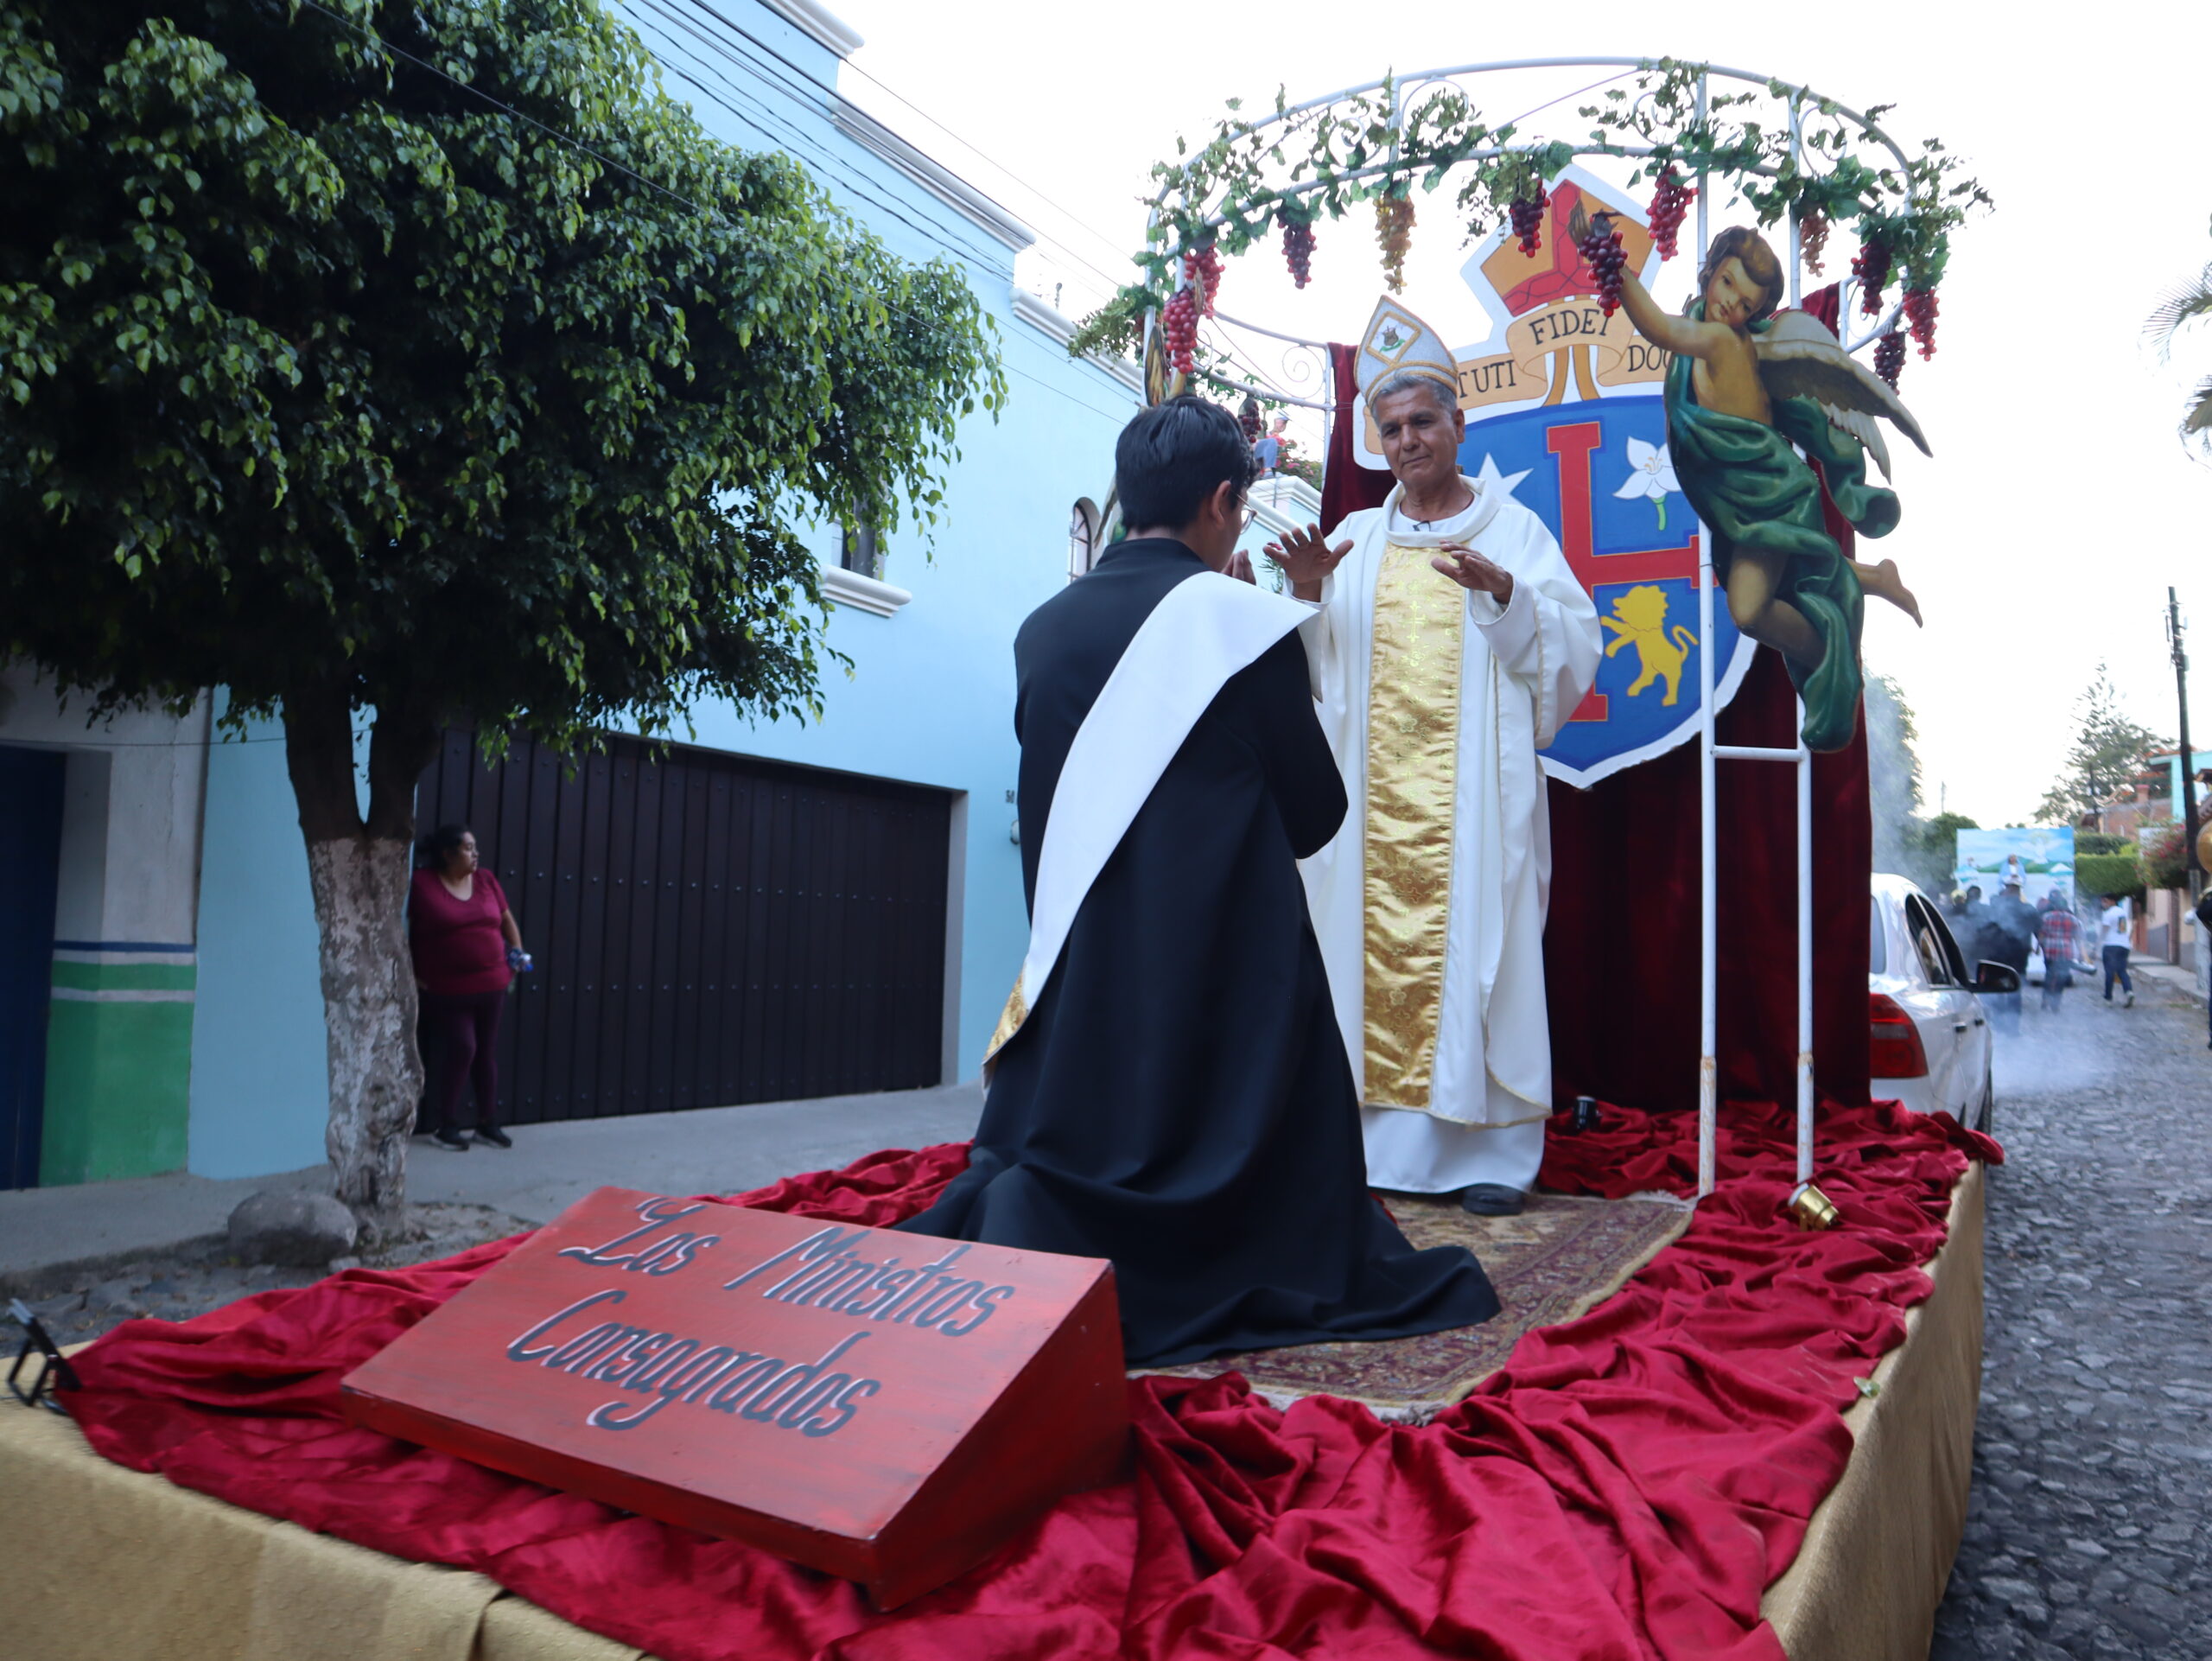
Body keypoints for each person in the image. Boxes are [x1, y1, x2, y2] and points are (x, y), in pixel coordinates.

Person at [898, 395, 1499, 1366]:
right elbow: (1317, 814)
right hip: (1224, 987)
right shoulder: (1237, 620)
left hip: (1085, 983)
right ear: (1223, 502)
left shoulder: (1041, 628)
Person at [1262, 300, 1601, 1218]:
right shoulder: (1359, 542)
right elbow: (1320, 673)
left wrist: (1505, 602)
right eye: (1391, 427)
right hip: (1370, 810)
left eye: (1422, 422)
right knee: (1354, 968)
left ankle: (1486, 1158)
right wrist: (1305, 595)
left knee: (1480, 964)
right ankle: (1364, 1151)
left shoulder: (1513, 531)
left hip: (1473, 816)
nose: (1407, 440)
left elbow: (1573, 652)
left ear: (1459, 424)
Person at [1610, 226, 1922, 751]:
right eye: (1726, 283)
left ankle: (1832, 658)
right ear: (1711, 273)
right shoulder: (1707, 326)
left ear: (1755, 313)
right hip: (1744, 499)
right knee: (1786, 583)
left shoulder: (1716, 340)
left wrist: (1615, 267)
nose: (1729, 303)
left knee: (1750, 610)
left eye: (1745, 302)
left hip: (1770, 493)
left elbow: (1656, 327)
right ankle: (1875, 579)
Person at [409, 824, 525, 1150]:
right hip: (448, 989)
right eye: (468, 848)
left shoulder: (486, 880)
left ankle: (488, 1124)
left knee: (486, 1053)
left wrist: (517, 954)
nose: (476, 854)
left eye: (475, 848)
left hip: (493, 983)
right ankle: (446, 1125)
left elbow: (506, 919)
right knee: (464, 1048)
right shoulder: (422, 884)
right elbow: (408, 929)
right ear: (447, 854)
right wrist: (412, 972)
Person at [1983, 880, 2037, 1034]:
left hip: (1997, 954)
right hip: (2020, 955)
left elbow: (1984, 929)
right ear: (2019, 892)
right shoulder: (2029, 909)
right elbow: (2039, 929)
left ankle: (2000, 1025)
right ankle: (2013, 1028)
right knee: (2016, 989)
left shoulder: (1995, 909)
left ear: (2007, 890)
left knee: (1998, 988)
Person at [2036, 894, 2083, 1014]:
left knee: (2049, 976)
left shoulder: (2046, 917)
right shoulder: (2073, 919)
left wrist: (2038, 948)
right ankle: (2055, 1004)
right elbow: (2077, 938)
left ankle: (2045, 1000)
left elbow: (2041, 935)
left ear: (2054, 905)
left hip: (2050, 951)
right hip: (2066, 952)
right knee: (2061, 978)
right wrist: (2081, 954)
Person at [2099, 894, 2135, 1007]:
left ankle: (2108, 998)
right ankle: (2128, 991)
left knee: (2109, 972)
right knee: (2122, 971)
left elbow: (2104, 930)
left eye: (2105, 901)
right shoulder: (2122, 912)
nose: (2103, 903)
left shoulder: (2108, 914)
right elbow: (2124, 929)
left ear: (2112, 901)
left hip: (2111, 946)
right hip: (2124, 946)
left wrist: (2098, 943)